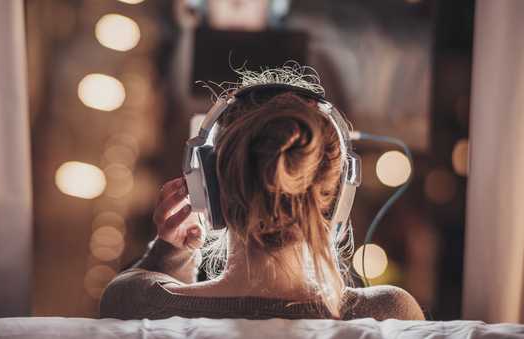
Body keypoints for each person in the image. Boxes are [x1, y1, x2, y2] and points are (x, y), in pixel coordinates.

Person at [99, 66, 425, 321]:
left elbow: (143, 292)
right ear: (337, 200)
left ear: (209, 192)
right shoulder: (389, 315)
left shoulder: (133, 302)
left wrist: (170, 252)